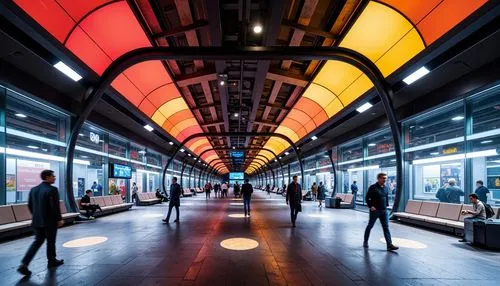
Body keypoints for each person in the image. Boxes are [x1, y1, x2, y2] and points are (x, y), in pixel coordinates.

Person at [18, 170, 64, 276]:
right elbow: (54, 207)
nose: (54, 178)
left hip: (37, 222)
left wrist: (37, 216)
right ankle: (51, 261)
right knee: (51, 241)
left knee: (37, 242)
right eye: (53, 176)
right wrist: (59, 219)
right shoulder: (52, 190)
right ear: (47, 177)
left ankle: (24, 264)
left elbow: (30, 205)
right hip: (49, 222)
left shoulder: (34, 189)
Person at [363, 172, 399, 251]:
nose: (385, 180)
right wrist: (370, 206)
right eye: (383, 178)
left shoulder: (386, 188)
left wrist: (387, 206)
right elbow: (367, 198)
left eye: (385, 178)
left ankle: (389, 245)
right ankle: (365, 241)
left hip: (384, 211)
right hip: (375, 211)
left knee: (386, 227)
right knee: (370, 226)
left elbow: (385, 197)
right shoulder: (373, 187)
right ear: (378, 178)